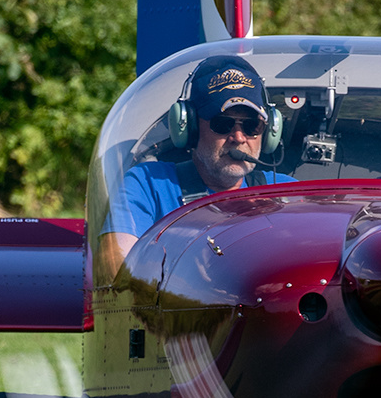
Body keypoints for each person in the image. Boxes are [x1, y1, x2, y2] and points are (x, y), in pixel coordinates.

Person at [96, 56, 296, 282]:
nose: (239, 137)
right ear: (190, 128)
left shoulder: (286, 193)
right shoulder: (148, 183)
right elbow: (114, 266)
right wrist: (176, 268)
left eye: (252, 126)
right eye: (222, 124)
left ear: (268, 131)